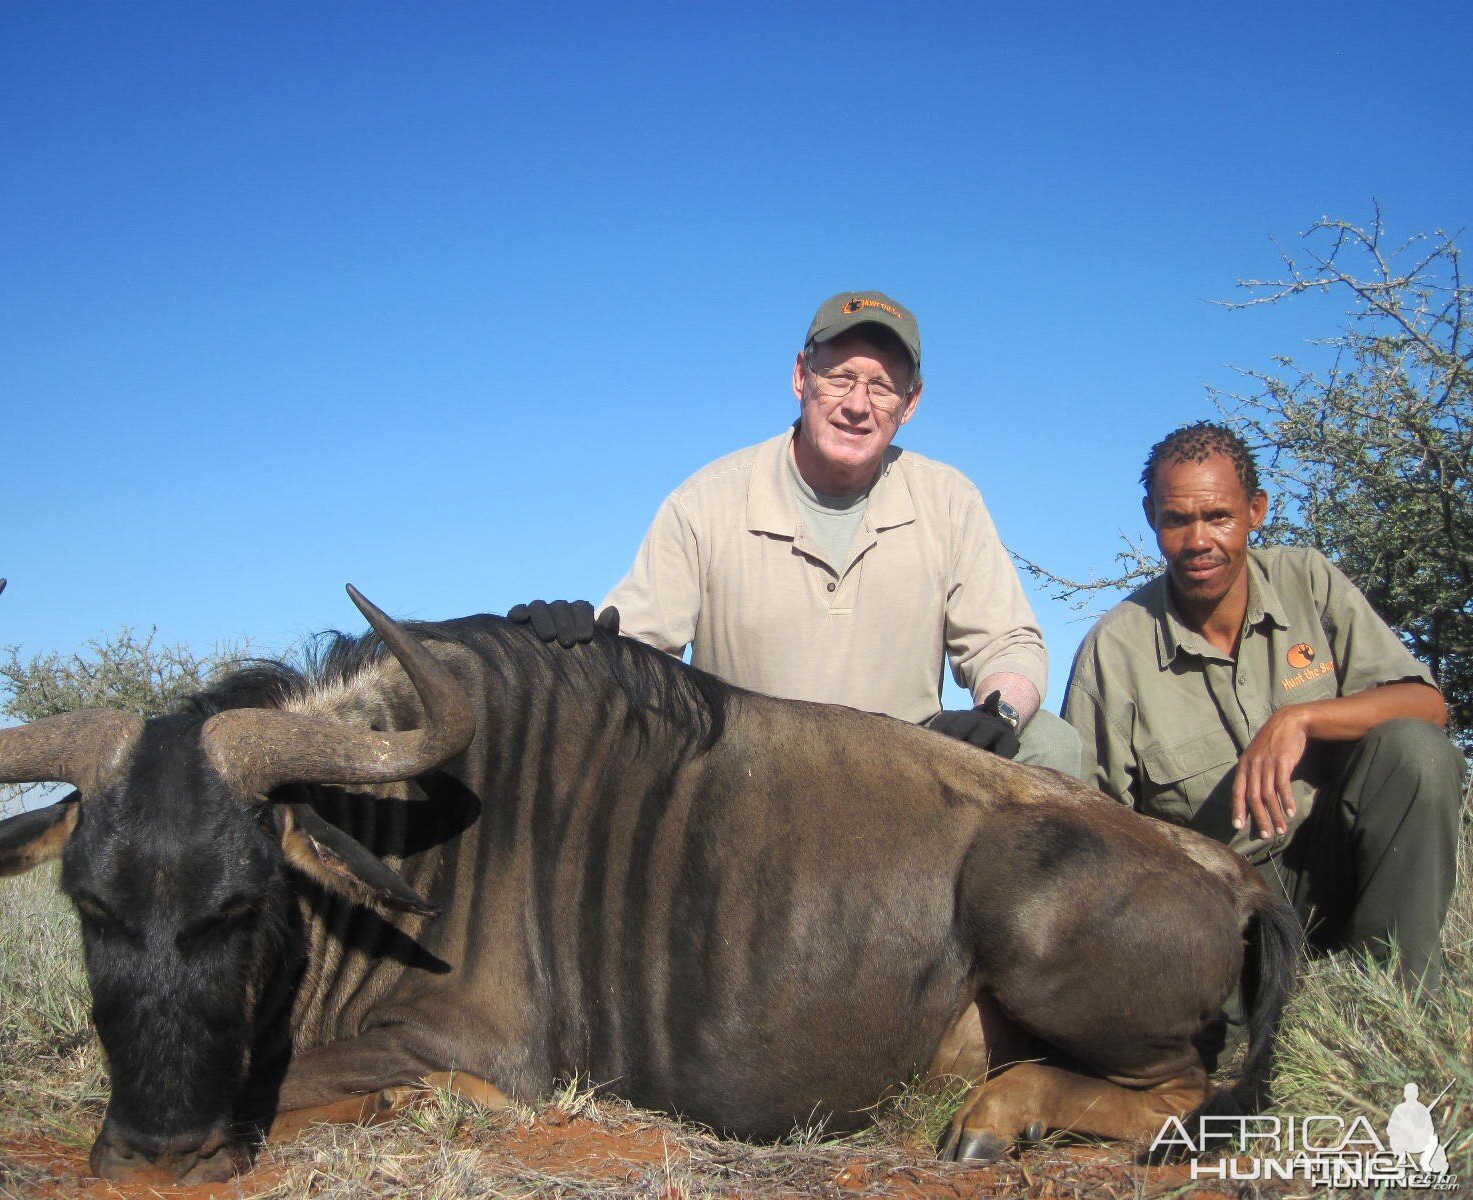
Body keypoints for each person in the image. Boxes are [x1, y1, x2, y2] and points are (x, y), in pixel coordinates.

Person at [515, 290, 1081, 771]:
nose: (857, 405)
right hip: (747, 775)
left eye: (882, 387)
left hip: (905, 775)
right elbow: (637, 645)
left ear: (910, 404)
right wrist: (566, 649)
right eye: (839, 378)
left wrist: (997, 715)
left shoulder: (949, 499)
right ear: (799, 377)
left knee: (1050, 744)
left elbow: (1007, 643)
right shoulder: (705, 502)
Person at [1063, 422, 1465, 988]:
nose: (1198, 541)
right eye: (1177, 520)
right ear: (1152, 516)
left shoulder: (1310, 581)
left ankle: (1401, 990)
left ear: (1256, 511)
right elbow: (1088, 826)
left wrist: (1300, 718)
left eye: (1219, 517)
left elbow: (1426, 705)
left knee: (1417, 752)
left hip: (1338, 862)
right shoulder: (1114, 649)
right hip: (1220, 905)